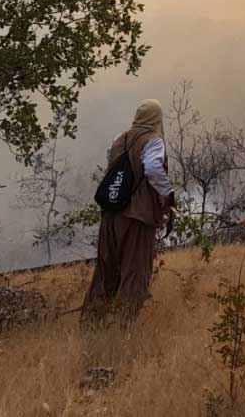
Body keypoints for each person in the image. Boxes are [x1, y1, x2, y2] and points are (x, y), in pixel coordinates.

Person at [83, 99, 175, 322]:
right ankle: (123, 327)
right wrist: (168, 194)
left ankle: (93, 323)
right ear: (156, 118)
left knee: (106, 271)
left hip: (111, 215)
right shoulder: (153, 141)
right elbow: (153, 169)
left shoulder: (118, 140)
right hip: (137, 218)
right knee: (134, 271)